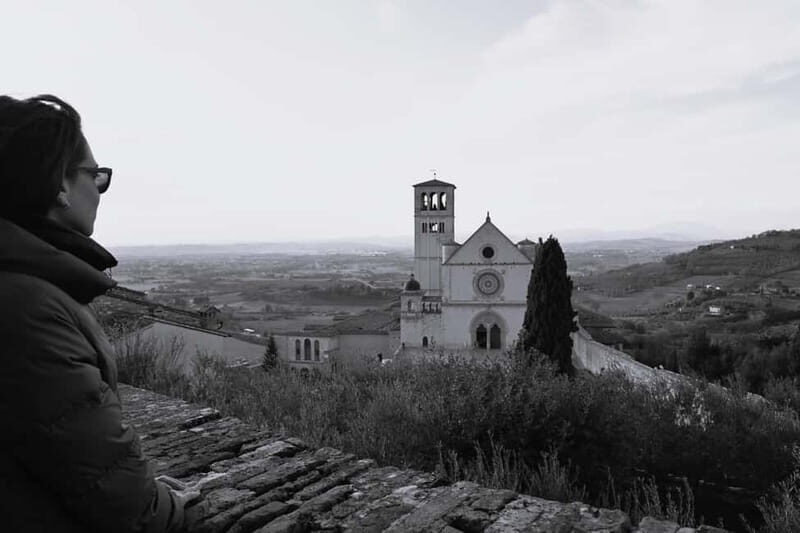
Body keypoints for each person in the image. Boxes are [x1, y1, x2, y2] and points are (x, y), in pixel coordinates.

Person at [0, 94, 198, 532]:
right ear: (60, 185)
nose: (100, 189)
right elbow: (125, 510)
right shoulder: (29, 309)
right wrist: (168, 505)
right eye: (96, 175)